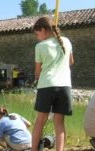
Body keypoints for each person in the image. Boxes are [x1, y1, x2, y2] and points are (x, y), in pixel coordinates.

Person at [31, 17, 74, 151]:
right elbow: (70, 62)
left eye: (38, 34)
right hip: (64, 86)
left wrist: (38, 73)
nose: (38, 38)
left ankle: (33, 150)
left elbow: (38, 70)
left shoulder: (40, 46)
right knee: (59, 123)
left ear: (43, 30)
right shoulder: (66, 41)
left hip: (47, 85)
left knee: (40, 121)